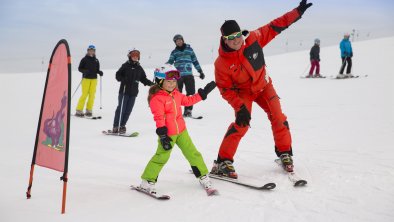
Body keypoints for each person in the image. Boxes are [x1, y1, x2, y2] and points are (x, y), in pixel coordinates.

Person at [212, 0, 313, 179]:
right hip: (243, 93)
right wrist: (239, 106)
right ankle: (222, 161)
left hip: (264, 86)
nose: (235, 40)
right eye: (230, 38)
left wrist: (297, 12)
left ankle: (284, 153)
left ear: (241, 33)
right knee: (242, 123)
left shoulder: (253, 39)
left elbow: (276, 25)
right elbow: (225, 89)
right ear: (224, 40)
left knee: (278, 117)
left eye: (237, 35)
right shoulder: (221, 63)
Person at [139, 64, 216, 194]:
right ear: (160, 81)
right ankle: (147, 181)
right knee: (161, 157)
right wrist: (163, 136)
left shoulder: (177, 94)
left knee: (193, 153)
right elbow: (159, 117)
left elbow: (188, 101)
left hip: (181, 131)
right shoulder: (157, 98)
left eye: (174, 81)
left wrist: (202, 94)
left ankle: (203, 175)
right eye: (168, 81)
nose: (172, 84)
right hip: (167, 134)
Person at [112, 49, 154, 134]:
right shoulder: (125, 65)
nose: (135, 58)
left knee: (128, 110)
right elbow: (117, 75)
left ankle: (122, 125)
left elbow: (143, 79)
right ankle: (116, 126)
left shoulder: (139, 68)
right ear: (130, 56)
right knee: (121, 109)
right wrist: (123, 79)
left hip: (133, 93)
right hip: (124, 91)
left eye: (137, 56)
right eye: (133, 56)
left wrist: (151, 84)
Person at [167, 34, 205, 118]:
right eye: (177, 41)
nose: (179, 41)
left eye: (180, 40)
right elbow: (170, 62)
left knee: (190, 93)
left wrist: (200, 71)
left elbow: (195, 61)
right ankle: (176, 111)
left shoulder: (189, 50)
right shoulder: (174, 52)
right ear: (175, 42)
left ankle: (188, 111)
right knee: (176, 94)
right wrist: (164, 68)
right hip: (178, 76)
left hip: (189, 75)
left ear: (182, 40)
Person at [76, 45, 104, 117]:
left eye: (93, 50)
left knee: (92, 95)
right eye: (90, 50)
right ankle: (79, 110)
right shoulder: (84, 59)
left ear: (94, 51)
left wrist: (99, 72)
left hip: (94, 79)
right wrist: (85, 71)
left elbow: (97, 69)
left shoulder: (96, 60)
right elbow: (80, 68)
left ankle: (89, 110)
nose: (91, 51)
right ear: (88, 51)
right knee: (84, 94)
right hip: (86, 79)